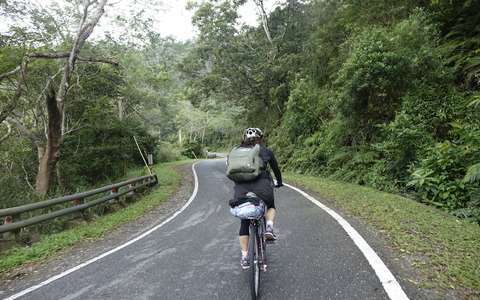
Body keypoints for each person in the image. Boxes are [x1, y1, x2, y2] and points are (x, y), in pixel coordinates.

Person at [232, 127, 283, 269]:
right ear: (261, 138)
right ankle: (269, 228)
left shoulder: (236, 151)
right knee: (271, 206)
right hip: (263, 188)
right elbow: (276, 169)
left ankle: (244, 257)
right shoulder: (265, 150)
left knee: (244, 221)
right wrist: (279, 182)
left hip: (241, 190)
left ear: (244, 139)